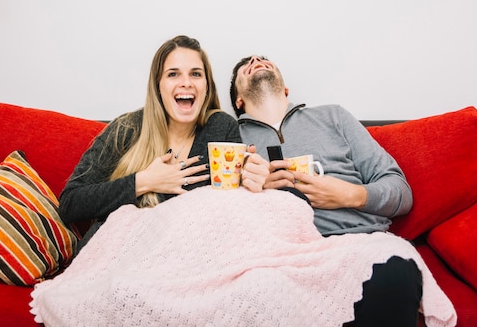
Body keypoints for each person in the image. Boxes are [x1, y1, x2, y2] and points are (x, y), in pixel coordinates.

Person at [229, 55, 423, 327]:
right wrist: (256, 193)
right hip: (283, 257)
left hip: (361, 242)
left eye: (264, 59)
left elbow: (401, 192)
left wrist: (349, 194)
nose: (256, 59)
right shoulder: (231, 142)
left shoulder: (334, 116)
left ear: (286, 89)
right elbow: (220, 215)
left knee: (394, 272)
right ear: (238, 100)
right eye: (245, 67)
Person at [58, 36, 267, 253]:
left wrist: (252, 178)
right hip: (118, 255)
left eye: (196, 74)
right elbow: (70, 204)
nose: (186, 82)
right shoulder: (126, 129)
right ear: (158, 85)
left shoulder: (221, 127)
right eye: (173, 74)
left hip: (189, 260)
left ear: (207, 86)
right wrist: (144, 181)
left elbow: (230, 212)